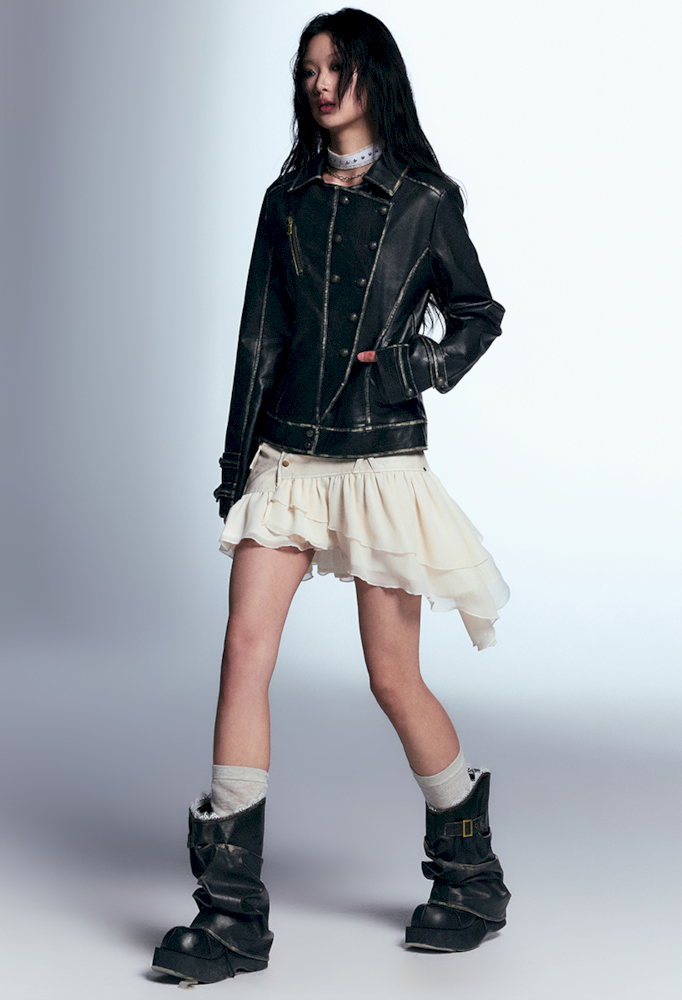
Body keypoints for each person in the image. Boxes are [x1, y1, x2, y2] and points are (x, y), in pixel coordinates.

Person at [152, 8, 511, 986]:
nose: (317, 83)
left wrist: (413, 364)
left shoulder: (425, 199)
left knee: (392, 676)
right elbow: (258, 338)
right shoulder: (288, 200)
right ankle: (231, 913)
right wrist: (237, 463)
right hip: (289, 453)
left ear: (371, 77)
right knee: (244, 649)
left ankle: (471, 875)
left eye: (334, 67)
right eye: (306, 69)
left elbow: (478, 312)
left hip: (380, 456)